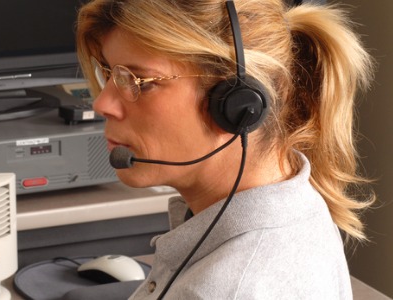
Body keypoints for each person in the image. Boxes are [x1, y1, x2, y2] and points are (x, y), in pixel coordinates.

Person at [75, 0, 375, 298]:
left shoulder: (223, 290)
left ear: (235, 104)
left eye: (139, 81)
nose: (102, 103)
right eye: (111, 73)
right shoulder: (297, 202)